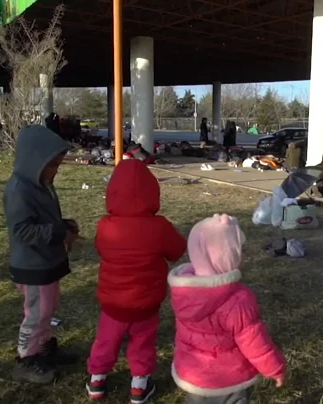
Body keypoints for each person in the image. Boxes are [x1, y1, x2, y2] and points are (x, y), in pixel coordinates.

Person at [86, 159, 187, 402]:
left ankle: (97, 379)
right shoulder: (159, 227)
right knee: (143, 341)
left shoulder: (105, 225)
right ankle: (139, 385)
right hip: (146, 301)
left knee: (106, 340)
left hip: (113, 301)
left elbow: (101, 248)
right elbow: (177, 250)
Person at [168, 214, 286, 403]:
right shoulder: (237, 300)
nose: (244, 255)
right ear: (225, 256)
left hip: (195, 374)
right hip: (229, 378)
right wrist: (274, 368)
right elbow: (254, 341)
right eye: (240, 250)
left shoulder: (184, 291)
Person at [4, 125, 79, 384]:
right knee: (36, 313)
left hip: (48, 261)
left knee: (48, 309)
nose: (55, 171)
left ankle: (45, 349)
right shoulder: (19, 190)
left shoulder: (42, 184)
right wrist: (58, 232)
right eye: (52, 165)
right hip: (32, 266)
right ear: (33, 160)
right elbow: (23, 231)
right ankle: (27, 359)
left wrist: (65, 225)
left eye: (57, 165)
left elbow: (47, 219)